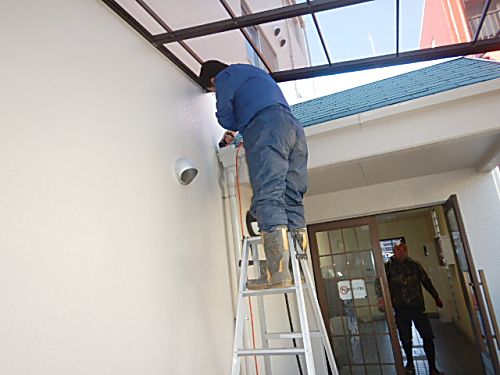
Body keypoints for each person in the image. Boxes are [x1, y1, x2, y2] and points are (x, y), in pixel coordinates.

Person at [199, 60, 308, 289]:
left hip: (267, 128)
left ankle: (278, 274)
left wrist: (236, 124)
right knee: (292, 197)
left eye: (212, 91)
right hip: (294, 128)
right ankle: (299, 270)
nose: (216, 91)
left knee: (269, 195)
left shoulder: (225, 76)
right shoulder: (253, 72)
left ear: (212, 80)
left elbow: (226, 117)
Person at [384, 242, 444, 375]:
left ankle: (432, 368)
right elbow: (381, 284)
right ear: (394, 251)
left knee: (428, 336)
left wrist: (436, 297)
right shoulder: (388, 267)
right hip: (400, 308)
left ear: (407, 251)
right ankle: (410, 364)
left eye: (404, 249)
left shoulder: (415, 265)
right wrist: (381, 300)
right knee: (405, 338)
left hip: (417, 307)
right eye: (398, 250)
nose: (401, 252)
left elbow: (426, 281)